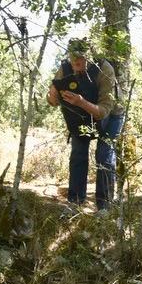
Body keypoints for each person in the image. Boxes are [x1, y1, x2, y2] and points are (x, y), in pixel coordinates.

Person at [45, 38, 125, 210]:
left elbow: (104, 110)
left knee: (104, 156)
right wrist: (52, 95)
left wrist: (81, 102)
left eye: (81, 57)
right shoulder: (65, 68)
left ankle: (105, 207)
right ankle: (75, 203)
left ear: (89, 57)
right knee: (78, 154)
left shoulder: (104, 69)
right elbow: (53, 99)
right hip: (83, 117)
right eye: (73, 57)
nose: (77, 61)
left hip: (111, 116)